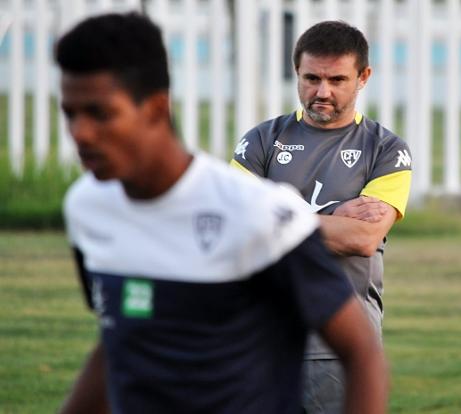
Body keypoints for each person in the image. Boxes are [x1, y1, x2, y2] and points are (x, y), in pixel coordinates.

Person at [56, 13, 388, 414]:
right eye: (70, 113)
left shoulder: (253, 212)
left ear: (157, 108)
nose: (80, 133)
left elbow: (360, 351)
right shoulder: (86, 208)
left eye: (100, 113)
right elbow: (117, 341)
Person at [230, 20, 412, 413]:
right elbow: (233, 225)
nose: (322, 92)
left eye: (337, 80)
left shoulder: (386, 151)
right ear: (296, 72)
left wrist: (272, 218)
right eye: (311, 78)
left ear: (364, 77)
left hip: (339, 343)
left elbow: (361, 239)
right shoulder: (261, 140)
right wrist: (332, 214)